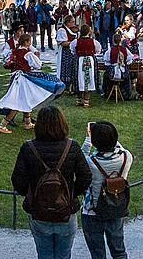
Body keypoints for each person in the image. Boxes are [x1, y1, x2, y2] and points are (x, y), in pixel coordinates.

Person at [11, 105, 91, 259]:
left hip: (38, 210)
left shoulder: (28, 148)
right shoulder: (72, 147)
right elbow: (85, 176)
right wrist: (72, 193)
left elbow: (18, 180)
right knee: (64, 255)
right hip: (66, 209)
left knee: (44, 254)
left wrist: (30, 193)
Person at [80, 121, 132, 259]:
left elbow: (80, 156)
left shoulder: (90, 163)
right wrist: (109, 134)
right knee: (119, 251)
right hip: (115, 207)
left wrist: (87, 140)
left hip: (92, 211)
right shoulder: (126, 157)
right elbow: (118, 146)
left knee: (97, 255)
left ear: (95, 141)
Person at [0, 34, 62, 134]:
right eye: (29, 41)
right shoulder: (28, 53)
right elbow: (38, 65)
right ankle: (2, 125)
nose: (30, 43)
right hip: (23, 79)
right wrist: (36, 57)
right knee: (17, 102)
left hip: (17, 77)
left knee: (25, 99)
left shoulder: (15, 51)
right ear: (26, 42)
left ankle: (28, 122)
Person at [102, 33, 137, 100]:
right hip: (123, 73)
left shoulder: (110, 50)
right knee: (127, 78)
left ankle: (107, 93)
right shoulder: (125, 49)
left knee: (106, 75)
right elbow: (131, 58)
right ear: (120, 40)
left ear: (113, 41)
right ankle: (126, 94)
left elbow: (106, 61)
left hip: (112, 74)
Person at [71, 24, 98, 107]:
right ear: (89, 32)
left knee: (80, 78)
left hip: (80, 60)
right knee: (88, 79)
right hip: (89, 60)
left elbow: (72, 49)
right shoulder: (93, 41)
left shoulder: (76, 41)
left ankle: (79, 99)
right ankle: (86, 100)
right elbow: (97, 50)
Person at [56, 15, 79, 92]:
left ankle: (71, 86)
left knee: (72, 68)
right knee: (65, 68)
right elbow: (62, 43)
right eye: (72, 22)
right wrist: (74, 42)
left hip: (72, 53)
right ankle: (64, 86)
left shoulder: (72, 30)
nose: (74, 23)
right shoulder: (62, 30)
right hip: (65, 53)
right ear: (67, 23)